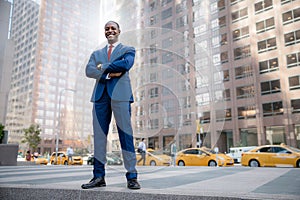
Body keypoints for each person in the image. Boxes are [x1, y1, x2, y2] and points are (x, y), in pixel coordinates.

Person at [81, 21, 140, 190]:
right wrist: (110, 74)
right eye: (107, 29)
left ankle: (132, 177)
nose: (110, 30)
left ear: (119, 31)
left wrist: (103, 67)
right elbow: (88, 70)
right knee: (99, 138)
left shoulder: (128, 49)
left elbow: (126, 64)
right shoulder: (96, 53)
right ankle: (98, 177)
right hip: (100, 97)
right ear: (104, 32)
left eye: (113, 28)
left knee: (125, 135)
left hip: (121, 96)